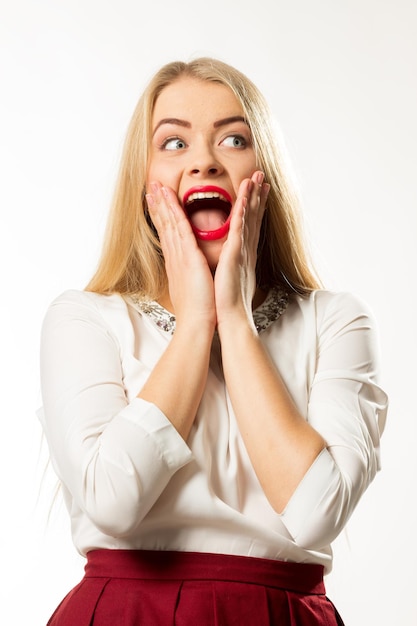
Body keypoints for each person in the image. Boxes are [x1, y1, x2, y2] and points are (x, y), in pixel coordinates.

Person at [38, 57, 388, 625]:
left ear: (265, 169)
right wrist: (196, 325)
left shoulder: (336, 321)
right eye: (174, 144)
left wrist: (234, 318)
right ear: (143, 180)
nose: (203, 161)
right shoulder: (84, 319)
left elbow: (318, 512)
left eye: (233, 138)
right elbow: (114, 501)